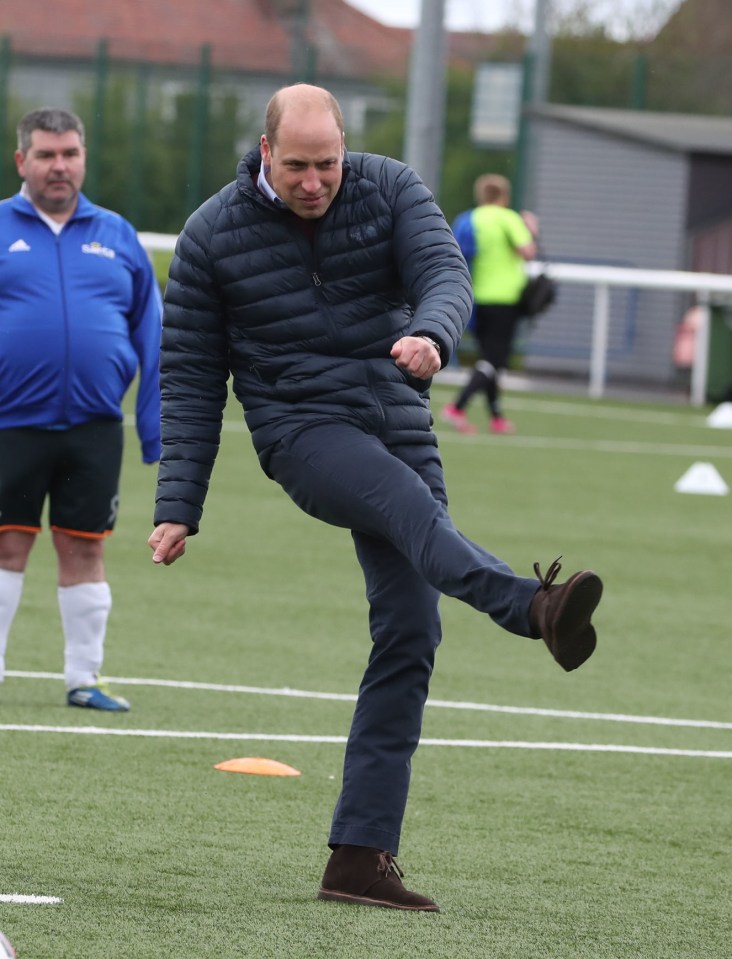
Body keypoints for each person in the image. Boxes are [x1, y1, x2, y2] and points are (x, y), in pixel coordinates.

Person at [148, 84, 603, 912]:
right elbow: (187, 378)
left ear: (344, 148)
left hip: (397, 417)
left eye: (327, 164)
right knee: (406, 507)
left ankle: (358, 858)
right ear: (264, 151)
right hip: (303, 433)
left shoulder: (391, 186)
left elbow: (443, 273)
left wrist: (432, 334)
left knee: (410, 629)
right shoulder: (212, 234)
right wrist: (179, 502)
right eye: (297, 166)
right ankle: (529, 607)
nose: (315, 181)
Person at [0, 108, 162, 712]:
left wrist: (154, 428)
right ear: (23, 162)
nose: (59, 165)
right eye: (45, 155)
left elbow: (152, 332)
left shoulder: (117, 235)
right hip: (9, 423)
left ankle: (83, 679)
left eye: (69, 153)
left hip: (94, 427)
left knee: (85, 547)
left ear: (83, 158)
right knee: (6, 545)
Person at [442, 173, 538, 435]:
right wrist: (531, 231)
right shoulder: (509, 219)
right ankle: (457, 407)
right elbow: (528, 252)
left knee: (488, 358)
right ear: (504, 196)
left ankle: (497, 417)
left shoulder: (468, 218)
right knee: (496, 360)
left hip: (475, 296)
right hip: (504, 298)